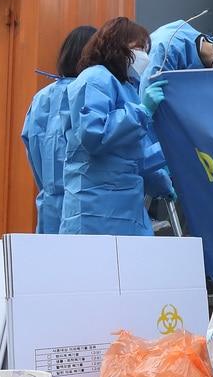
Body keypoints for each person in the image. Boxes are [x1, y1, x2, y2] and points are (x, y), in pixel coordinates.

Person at [60, 17, 174, 236]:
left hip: (124, 207)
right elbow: (94, 134)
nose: (144, 56)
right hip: (95, 208)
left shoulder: (127, 87)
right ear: (116, 45)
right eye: (138, 47)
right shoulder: (94, 79)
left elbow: (133, 154)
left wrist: (163, 175)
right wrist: (142, 111)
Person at [21, 24, 96, 233]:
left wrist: (48, 185)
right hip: (87, 204)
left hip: (49, 202)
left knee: (51, 262)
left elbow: (31, 145)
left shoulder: (42, 97)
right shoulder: (93, 93)